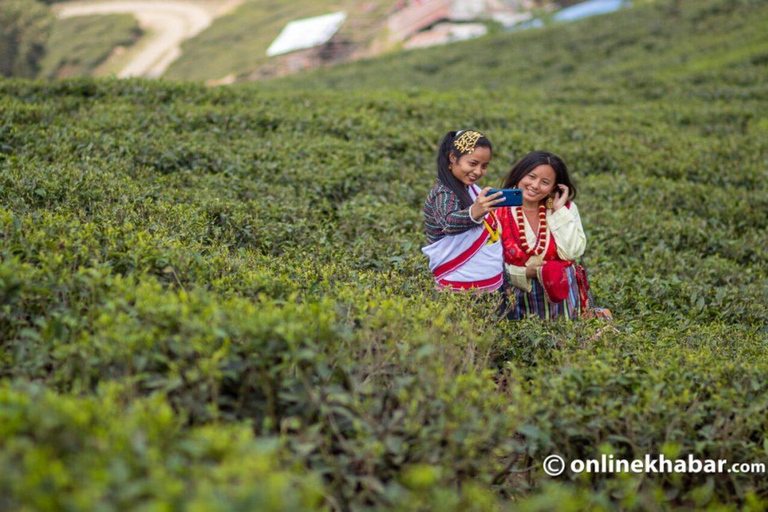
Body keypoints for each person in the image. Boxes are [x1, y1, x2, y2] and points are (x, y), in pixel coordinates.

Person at [497, 151, 610, 320]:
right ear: (520, 175)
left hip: (563, 300)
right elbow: (488, 262)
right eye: (531, 176)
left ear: (554, 187)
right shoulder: (498, 210)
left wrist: (558, 210)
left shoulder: (566, 209)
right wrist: (522, 273)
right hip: (516, 300)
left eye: (545, 182)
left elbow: (572, 252)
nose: (535, 185)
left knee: (567, 340)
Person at [421, 130, 506, 293]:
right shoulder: (443, 192)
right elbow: (448, 223)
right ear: (453, 158)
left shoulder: (471, 189)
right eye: (473, 164)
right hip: (458, 287)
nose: (478, 172)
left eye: (484, 166)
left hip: (489, 285)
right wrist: (474, 212)